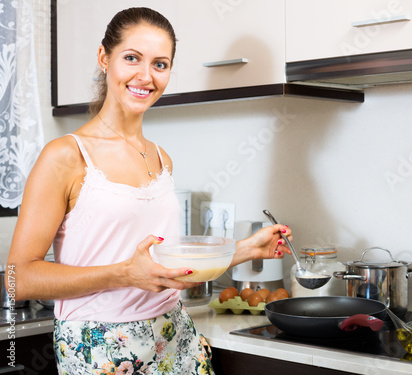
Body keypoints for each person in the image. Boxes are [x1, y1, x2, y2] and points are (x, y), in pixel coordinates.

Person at [7, 7, 292, 375]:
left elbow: (163, 268)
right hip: (102, 349)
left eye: (160, 64)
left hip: (174, 337)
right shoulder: (66, 156)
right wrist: (123, 274)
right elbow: (19, 279)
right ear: (103, 58)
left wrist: (243, 250)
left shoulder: (161, 158)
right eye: (132, 58)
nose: (146, 76)